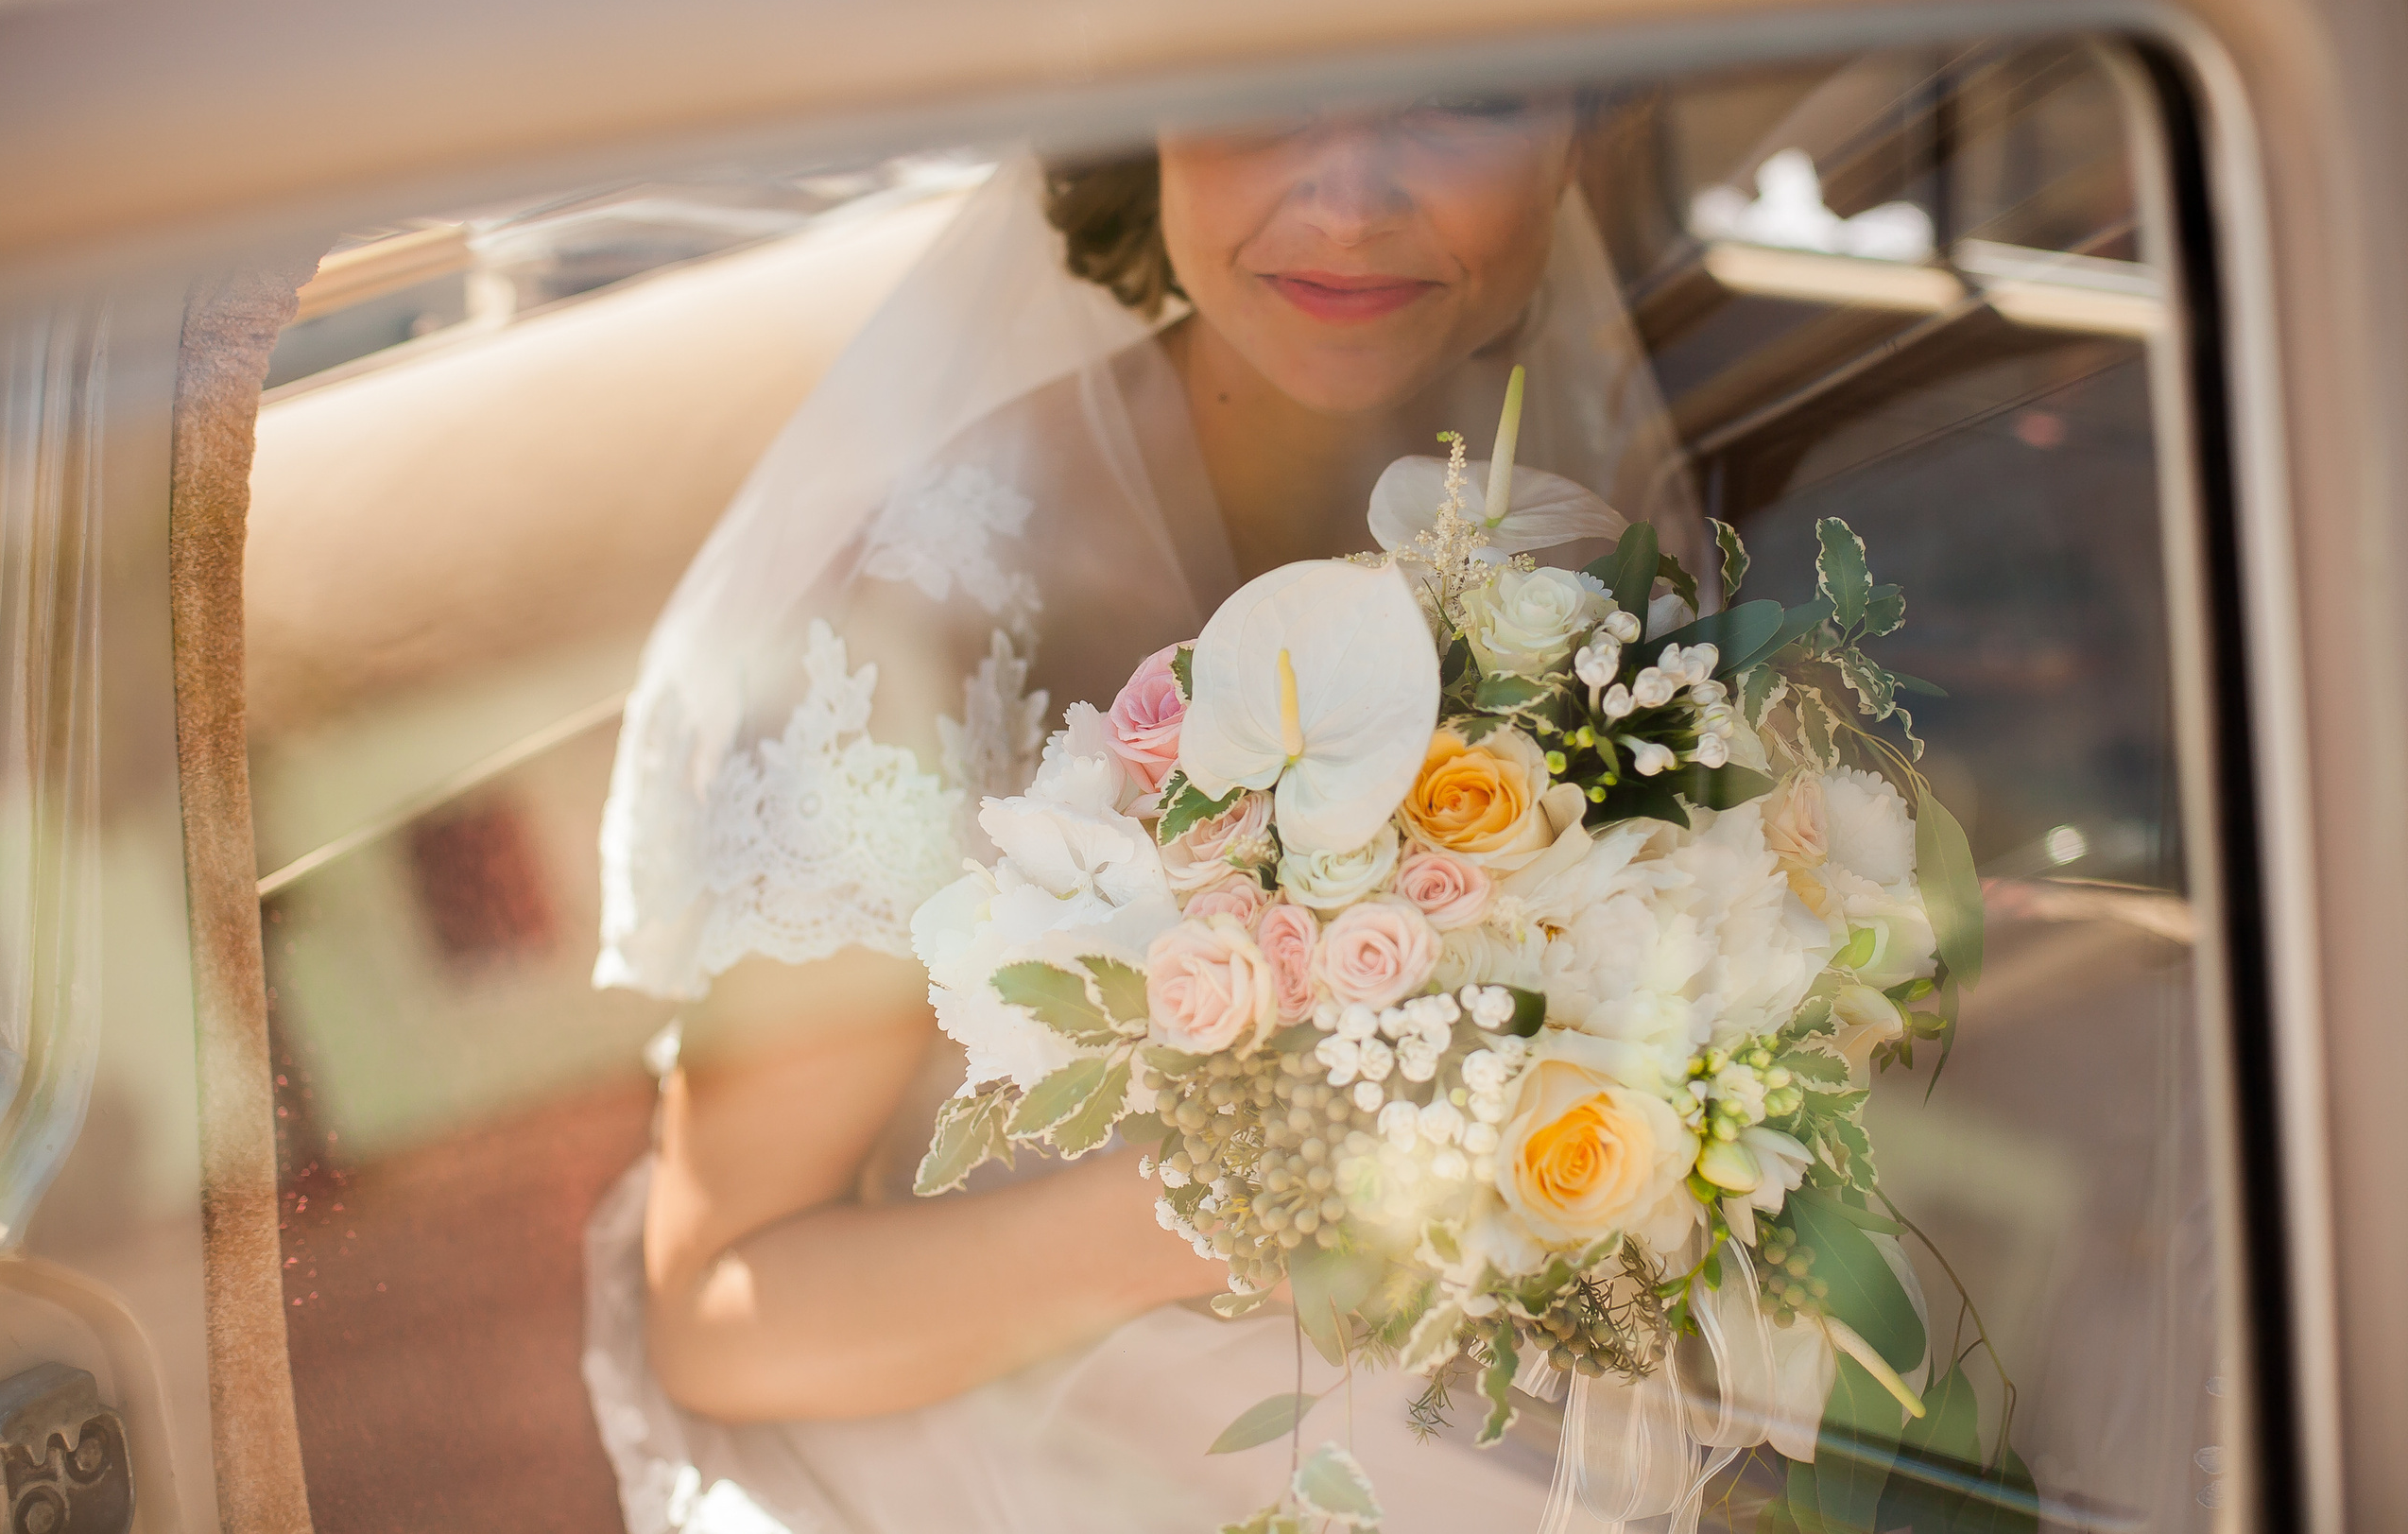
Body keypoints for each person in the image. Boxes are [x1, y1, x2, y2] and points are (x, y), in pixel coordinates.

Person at [582, 94, 1693, 1534]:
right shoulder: (928, 619)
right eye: (1256, 91)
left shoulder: (1575, 456)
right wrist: (1239, 1195)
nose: (1351, 201)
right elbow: (722, 1307)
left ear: (1582, 135)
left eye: (1457, 99)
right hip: (1036, 1404)